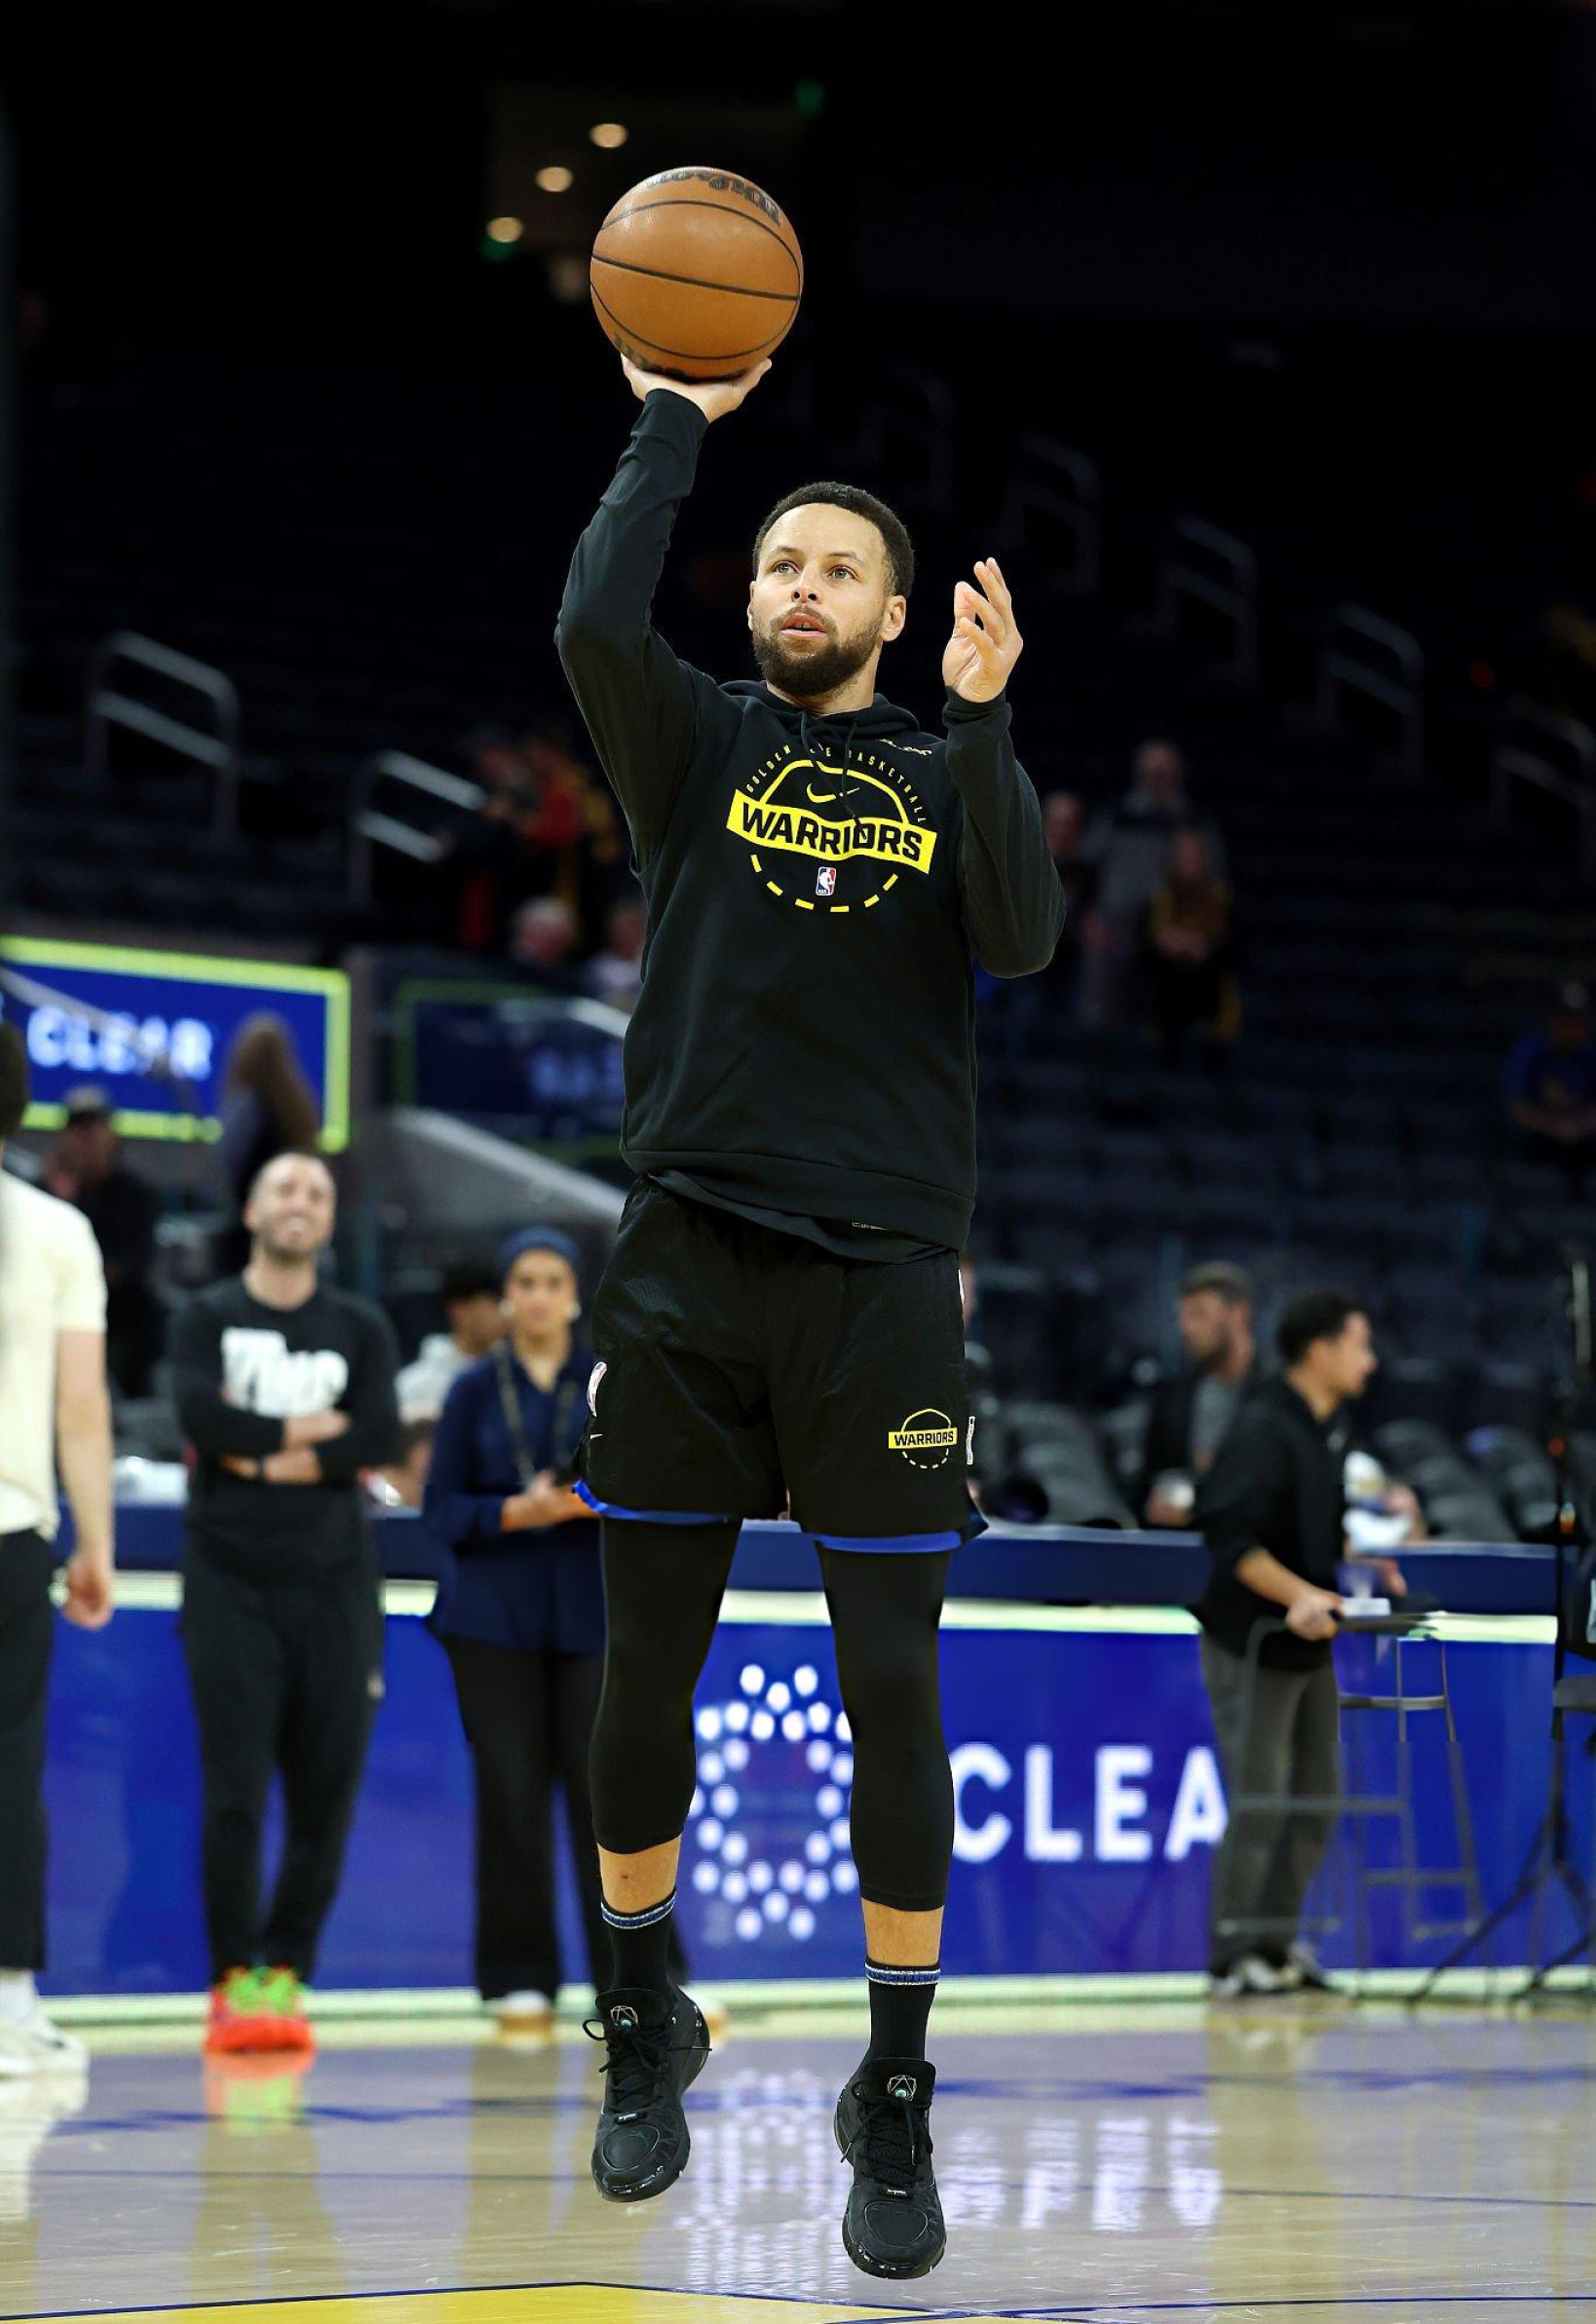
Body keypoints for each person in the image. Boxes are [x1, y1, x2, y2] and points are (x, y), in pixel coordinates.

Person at [554, 351, 1061, 2278]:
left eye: (838, 567)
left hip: (878, 1288)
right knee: (640, 1676)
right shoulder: (690, 744)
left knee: (893, 1695)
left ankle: (895, 2088)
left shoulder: (943, 773)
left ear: (894, 612)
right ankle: (639, 2015)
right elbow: (592, 617)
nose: (800, 587)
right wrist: (674, 416)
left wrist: (987, 727)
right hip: (687, 1264)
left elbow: (1019, 935)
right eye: (780, 562)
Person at [423, 1228, 685, 2033]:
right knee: (510, 1795)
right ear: (505, 1298)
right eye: (525, 1281)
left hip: (591, 1614)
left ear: (576, 1296)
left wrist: (591, 1502)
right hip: (490, 1620)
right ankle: (518, 1975)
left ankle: (641, 1976)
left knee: (610, 1797)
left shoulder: (610, 1383)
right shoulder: (473, 1388)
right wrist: (520, 1511)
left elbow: (656, 1489)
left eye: (553, 1280)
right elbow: (441, 1511)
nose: (538, 1295)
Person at [170, 1150, 399, 2055]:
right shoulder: (206, 1315)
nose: (300, 1203)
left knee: (325, 1793)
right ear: (253, 1210)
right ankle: (234, 1980)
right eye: (284, 1189)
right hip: (227, 1577)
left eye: (316, 1192)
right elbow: (203, 1419)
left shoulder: (360, 1326)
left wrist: (258, 1452)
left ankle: (285, 1975)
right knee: (234, 1789)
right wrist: (315, 1437)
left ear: (329, 1218)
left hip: (337, 1583)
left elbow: (376, 1433)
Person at [1193, 1286, 1403, 2000]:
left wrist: (1365, 1565)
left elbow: (1317, 1531)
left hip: (1309, 1647)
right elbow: (1230, 1538)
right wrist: (1297, 1595)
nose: (1370, 1362)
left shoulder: (1328, 1429)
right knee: (1260, 1802)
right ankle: (1232, 1957)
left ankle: (1275, 1945)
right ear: (1320, 1349)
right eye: (1360, 1345)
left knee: (1317, 1799)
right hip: (1252, 1642)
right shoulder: (1262, 1428)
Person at [0, 1027, 116, 2073]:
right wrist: (97, 1543)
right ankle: (6, 2006)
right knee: (9, 1761)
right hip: (9, 1530)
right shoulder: (55, 1229)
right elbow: (81, 1408)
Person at [1081, 741, 1227, 1030]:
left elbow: (1216, 882)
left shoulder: (1195, 822)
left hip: (1175, 933)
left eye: (1165, 772)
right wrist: (1090, 916)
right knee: (1104, 1015)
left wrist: (1198, 933)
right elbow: (1087, 870)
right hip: (1116, 930)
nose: (1158, 778)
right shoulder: (1116, 817)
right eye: (1152, 772)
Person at [43, 1085, 164, 1396]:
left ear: (111, 1134)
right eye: (78, 1129)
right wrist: (64, 1201)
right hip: (50, 1309)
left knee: (148, 1312)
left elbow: (132, 1265)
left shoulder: (137, 1195)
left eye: (95, 1128)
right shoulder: (42, 1193)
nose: (87, 1139)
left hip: (118, 1314)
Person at [1140, 1263, 1262, 1528]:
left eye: (1199, 1314)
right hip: (1184, 1539)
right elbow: (1149, 1479)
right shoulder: (1173, 1396)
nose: (1186, 1328)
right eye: (1182, 1316)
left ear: (1239, 1314)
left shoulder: (1276, 1394)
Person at [216, 1017, 321, 1274]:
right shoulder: (298, 1108)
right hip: (289, 1224)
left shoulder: (245, 1105)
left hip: (249, 1225)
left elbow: (226, 1165)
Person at [1143, 829, 1240, 1069]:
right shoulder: (1160, 900)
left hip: (1209, 983)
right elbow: (1154, 940)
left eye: (1195, 857)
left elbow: (1229, 945)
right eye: (1184, 858)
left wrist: (1199, 946)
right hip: (1169, 985)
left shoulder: (1220, 900)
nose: (1190, 864)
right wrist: (1176, 944)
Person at [1504, 981, 1596, 1196]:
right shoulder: (1530, 1052)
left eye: (1577, 1021)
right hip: (1538, 1139)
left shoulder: (1591, 1054)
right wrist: (1556, 1127)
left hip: (1583, 1138)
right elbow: (1517, 1107)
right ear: (1552, 1021)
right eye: (1565, 1021)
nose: (1571, 1028)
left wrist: (1577, 1126)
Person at [394, 1260, 505, 1426]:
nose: (504, 1314)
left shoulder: (515, 1377)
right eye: (494, 1303)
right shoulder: (412, 1386)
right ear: (459, 1309)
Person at [586, 895, 648, 1016]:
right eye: (621, 928)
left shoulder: (649, 964)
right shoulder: (598, 967)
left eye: (632, 926)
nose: (627, 933)